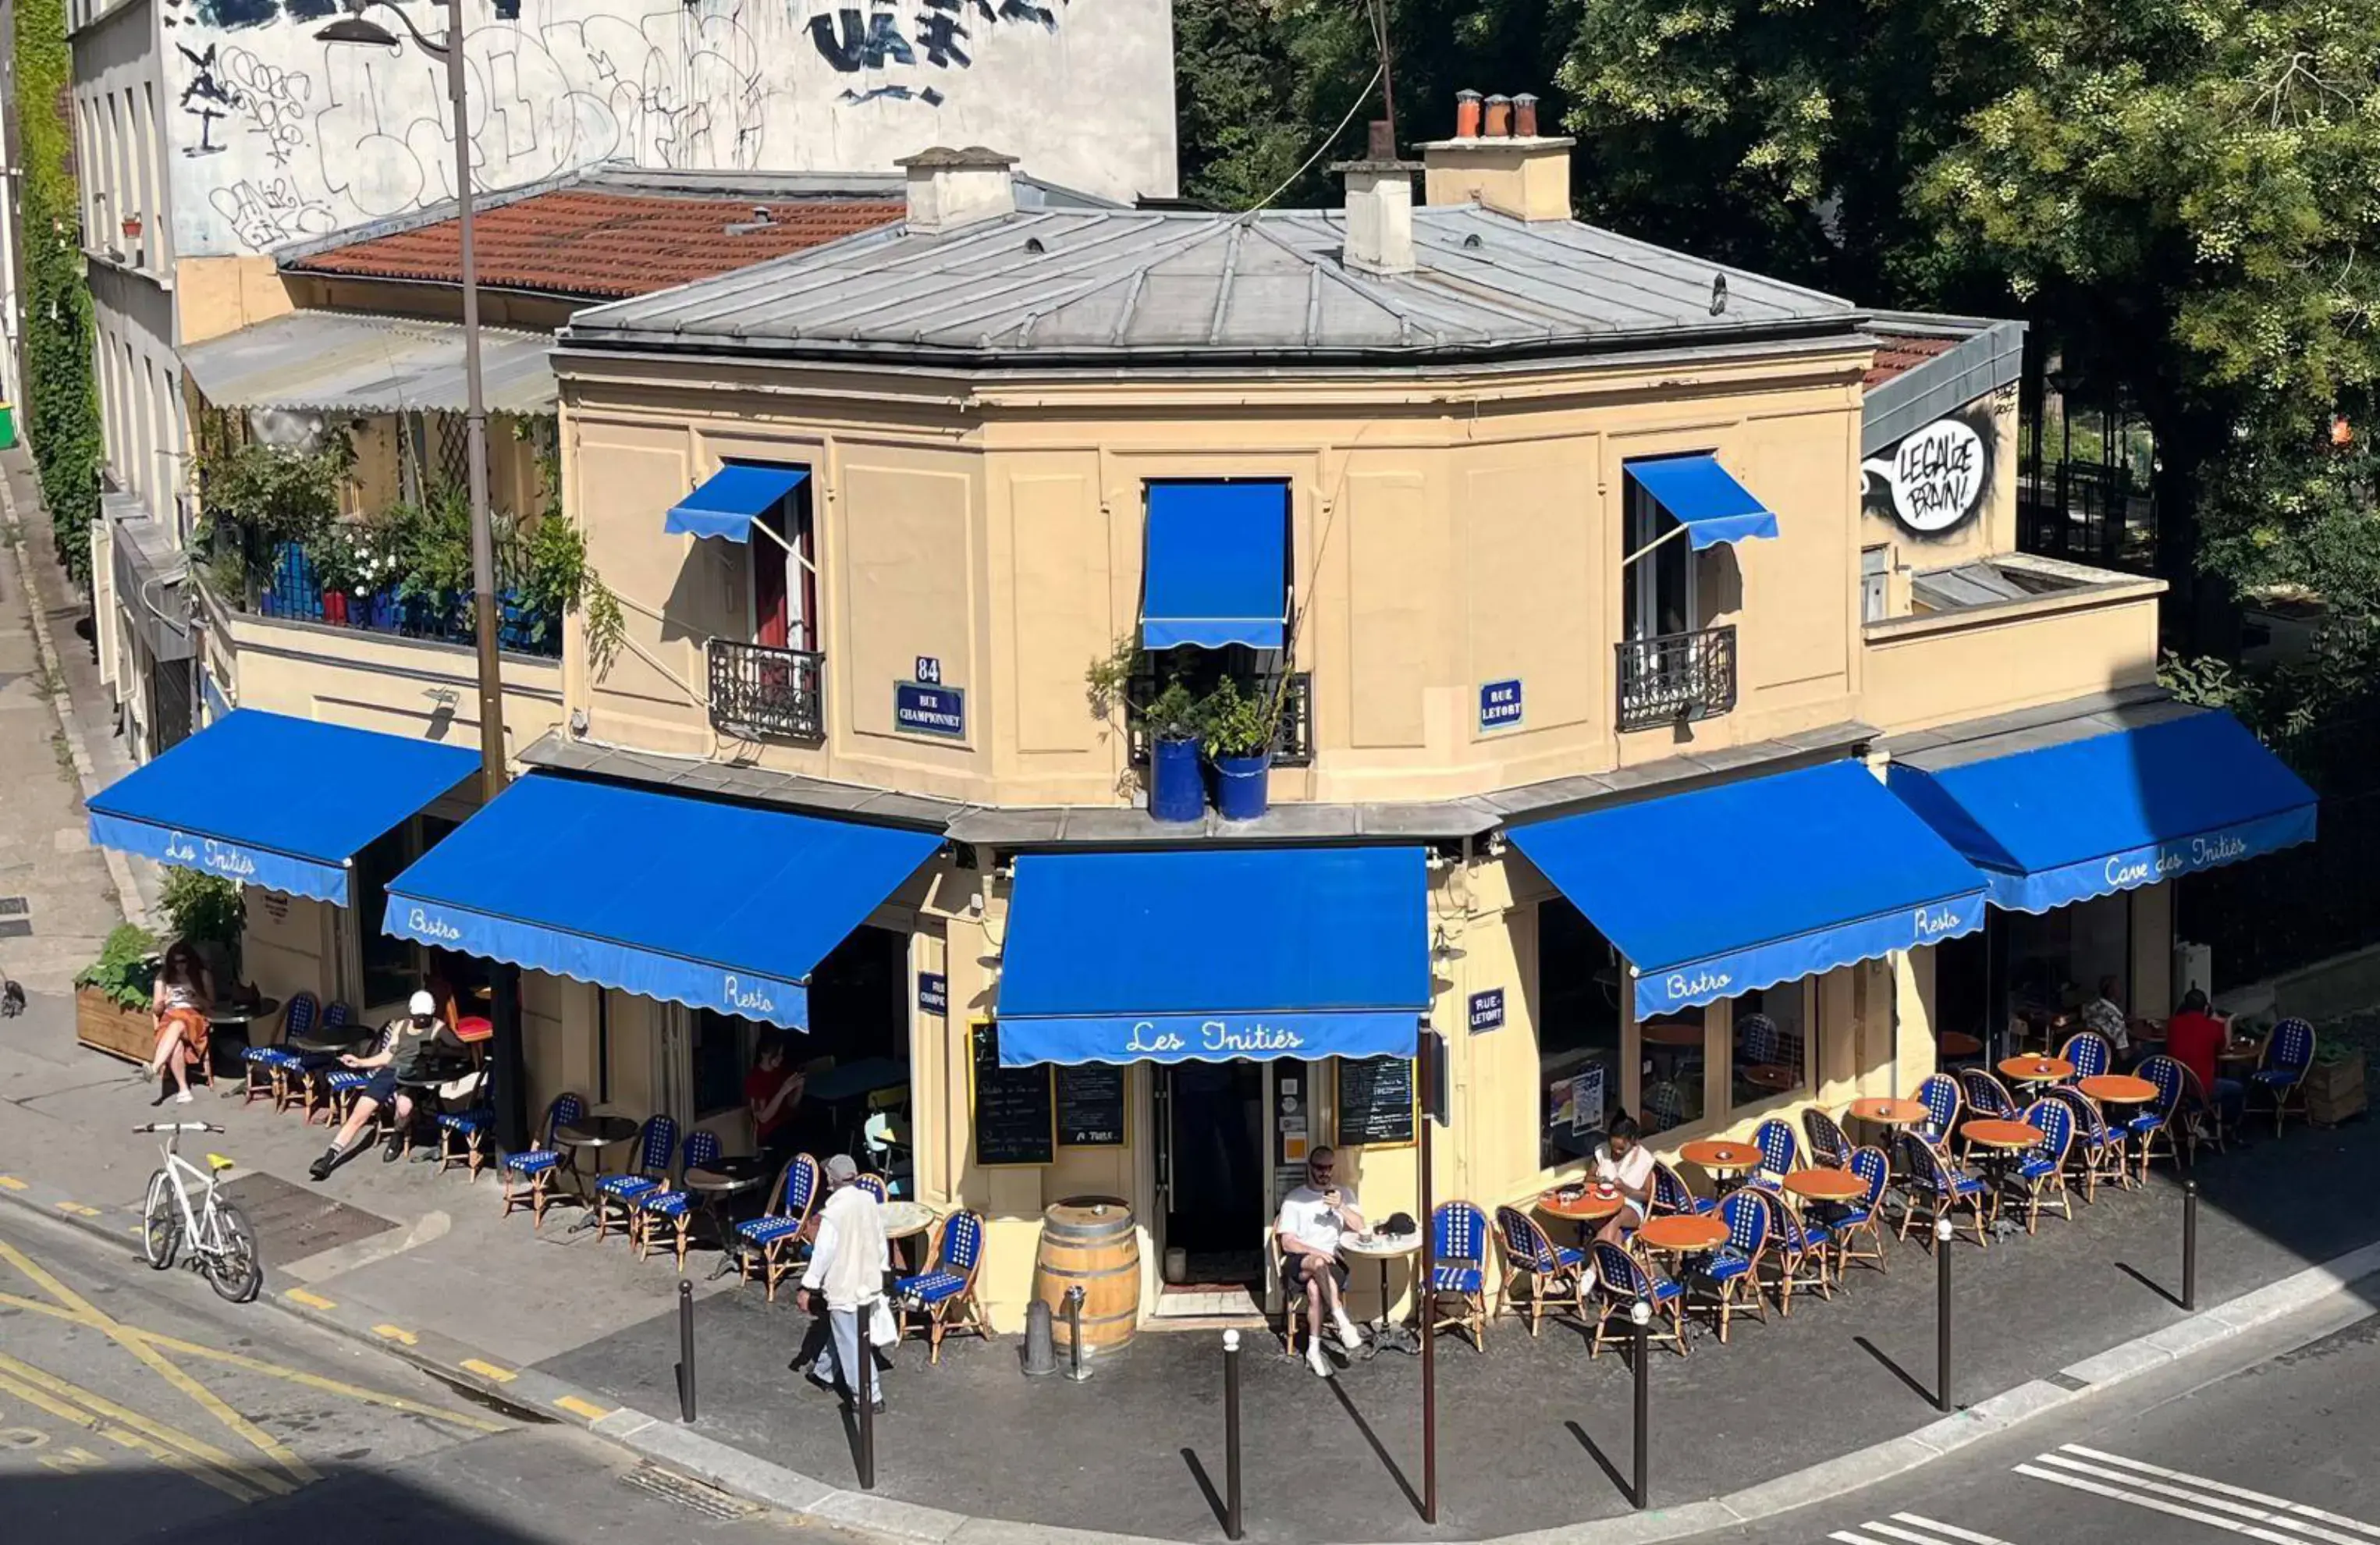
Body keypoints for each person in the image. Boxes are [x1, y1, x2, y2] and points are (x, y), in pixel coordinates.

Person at [307, 992, 456, 1180]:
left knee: (404, 1108)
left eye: (424, 1017)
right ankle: (327, 1159)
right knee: (359, 1114)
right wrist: (361, 1062)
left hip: (412, 1075)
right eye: (417, 1016)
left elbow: (456, 1048)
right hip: (390, 1071)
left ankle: (397, 1135)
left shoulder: (438, 1028)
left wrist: (439, 1058)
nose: (420, 1020)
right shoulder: (401, 1026)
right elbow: (387, 1056)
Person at [797, 1153, 890, 1412]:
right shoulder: (869, 1200)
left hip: (845, 1284)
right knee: (846, 1332)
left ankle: (870, 1395)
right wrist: (883, 1269)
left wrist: (808, 1287)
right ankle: (824, 1373)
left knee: (851, 1341)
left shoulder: (833, 1214)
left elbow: (822, 1254)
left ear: (831, 1181)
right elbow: (880, 1238)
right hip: (868, 1280)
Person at [1274, 1145, 1366, 1377]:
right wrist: (1315, 1251)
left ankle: (1313, 1350)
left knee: (1316, 1289)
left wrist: (1341, 1207)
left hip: (1333, 1262)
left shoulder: (1342, 1194)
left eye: (1329, 1168)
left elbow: (1360, 1227)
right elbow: (1287, 1243)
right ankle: (1341, 1318)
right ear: (1310, 1167)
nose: (1325, 1173)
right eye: (1320, 1168)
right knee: (1316, 1264)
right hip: (1301, 1260)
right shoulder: (1295, 1199)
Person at [2165, 988, 2248, 1143]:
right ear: (2206, 1008)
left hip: (2176, 1088)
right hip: (2201, 1090)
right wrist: (2227, 1022)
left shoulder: (2173, 1025)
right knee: (2237, 1089)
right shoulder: (2211, 1027)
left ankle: (2197, 1124)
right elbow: (2225, 1046)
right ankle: (2229, 1127)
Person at [145, 942, 215, 1105]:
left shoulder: (201, 974)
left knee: (177, 1025)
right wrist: (164, 1000)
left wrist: (196, 995)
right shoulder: (163, 978)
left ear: (191, 960)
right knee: (176, 1042)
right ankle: (184, 1090)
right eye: (175, 962)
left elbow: (211, 1004)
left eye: (183, 961)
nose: (179, 966)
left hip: (193, 1016)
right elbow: (156, 1010)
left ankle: (155, 1067)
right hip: (169, 1016)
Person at [1590, 1114, 1656, 1247]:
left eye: (1621, 1149)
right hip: (1604, 1204)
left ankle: (1594, 1265)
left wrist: (1626, 1189)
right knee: (1616, 1234)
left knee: (1614, 1218)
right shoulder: (1602, 1151)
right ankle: (1607, 1266)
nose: (1616, 1152)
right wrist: (1599, 1180)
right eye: (1613, 1146)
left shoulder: (1644, 1159)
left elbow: (1647, 1195)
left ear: (1634, 1142)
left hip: (1631, 1207)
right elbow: (1588, 1179)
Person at [746, 1034, 808, 1167]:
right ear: (764, 1054)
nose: (780, 1058)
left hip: (788, 1122)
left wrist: (799, 1088)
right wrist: (783, 1090)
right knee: (793, 1140)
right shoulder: (755, 1078)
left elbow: (792, 1104)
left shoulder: (782, 1071)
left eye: (781, 1054)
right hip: (769, 1131)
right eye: (776, 1055)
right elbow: (763, 1117)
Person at [2080, 975, 2130, 1060]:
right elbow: (2124, 1056)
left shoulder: (2091, 1008)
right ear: (2111, 991)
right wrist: (2136, 1048)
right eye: (2119, 987)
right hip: (2110, 1063)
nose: (2123, 990)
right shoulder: (2116, 1020)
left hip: (2090, 1058)